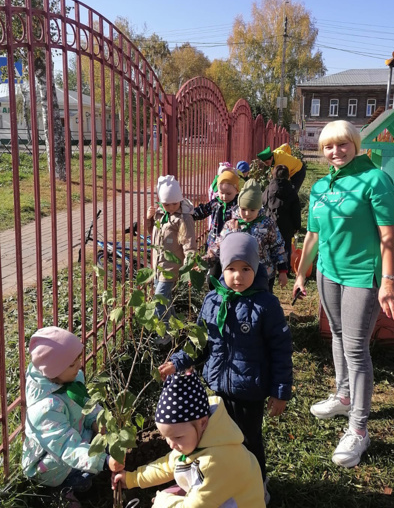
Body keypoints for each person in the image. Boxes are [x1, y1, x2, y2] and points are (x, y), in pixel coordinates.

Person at [293, 120, 394, 468]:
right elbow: (312, 236)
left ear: (355, 144)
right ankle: (343, 395)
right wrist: (301, 273)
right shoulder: (322, 186)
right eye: (328, 146)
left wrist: (388, 281)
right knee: (337, 335)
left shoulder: (376, 180)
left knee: (356, 347)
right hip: (328, 273)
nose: (335, 152)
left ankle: (359, 429)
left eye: (342, 145)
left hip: (360, 276)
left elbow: (388, 236)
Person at [159, 232, 293, 502]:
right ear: (223, 268)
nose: (238, 276)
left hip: (249, 392)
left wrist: (281, 391)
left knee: (247, 441)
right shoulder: (213, 300)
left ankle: (256, 484)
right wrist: (178, 362)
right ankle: (221, 483)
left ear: (257, 269)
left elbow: (281, 350)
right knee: (217, 442)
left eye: (246, 269)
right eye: (231, 268)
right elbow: (199, 343)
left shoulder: (266, 305)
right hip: (216, 388)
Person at [113, 372, 265, 507]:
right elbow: (168, 464)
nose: (171, 444)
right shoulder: (199, 439)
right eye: (166, 437)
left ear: (202, 423)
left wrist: (163, 501)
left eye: (177, 437)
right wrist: (132, 479)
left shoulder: (214, 462)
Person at [22, 327, 123, 508]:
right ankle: (59, 491)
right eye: (71, 364)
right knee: (84, 478)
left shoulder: (70, 378)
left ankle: (84, 472)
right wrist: (104, 461)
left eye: (77, 359)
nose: (79, 366)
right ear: (53, 371)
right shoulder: (45, 410)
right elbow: (67, 447)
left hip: (75, 434)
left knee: (102, 451)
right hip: (51, 463)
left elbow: (87, 405)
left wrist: (97, 421)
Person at [208, 178, 289, 292]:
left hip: (262, 273)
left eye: (252, 210)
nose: (247, 213)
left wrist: (282, 270)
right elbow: (219, 245)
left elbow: (278, 246)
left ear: (258, 208)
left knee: (261, 303)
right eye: (244, 209)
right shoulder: (231, 224)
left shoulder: (267, 224)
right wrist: (206, 259)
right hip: (239, 274)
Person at [147, 175, 197, 339]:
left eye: (174, 203)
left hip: (171, 268)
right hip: (157, 267)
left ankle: (166, 337)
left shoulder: (184, 218)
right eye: (166, 204)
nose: (170, 207)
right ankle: (177, 328)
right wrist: (148, 218)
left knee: (159, 300)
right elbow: (151, 234)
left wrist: (190, 265)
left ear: (180, 200)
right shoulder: (160, 214)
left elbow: (189, 243)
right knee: (165, 300)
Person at [193, 170, 240, 285]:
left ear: (237, 190)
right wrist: (188, 213)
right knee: (211, 279)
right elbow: (202, 211)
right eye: (221, 192)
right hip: (213, 246)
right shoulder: (215, 203)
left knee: (227, 276)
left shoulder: (238, 206)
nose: (224, 196)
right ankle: (214, 293)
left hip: (230, 247)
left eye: (228, 193)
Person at [262, 164, 302, 277]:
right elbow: (296, 210)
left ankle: (271, 267)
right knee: (286, 247)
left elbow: (263, 202)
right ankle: (285, 269)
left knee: (270, 245)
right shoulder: (292, 191)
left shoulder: (269, 188)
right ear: (288, 176)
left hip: (271, 222)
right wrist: (297, 226)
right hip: (287, 225)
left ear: (273, 175)